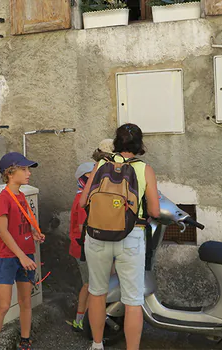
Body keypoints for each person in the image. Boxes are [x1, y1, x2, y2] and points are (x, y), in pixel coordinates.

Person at [79, 124, 160, 350]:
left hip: (96, 235)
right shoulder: (145, 170)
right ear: (139, 145)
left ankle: (97, 345)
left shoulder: (101, 164)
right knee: (133, 300)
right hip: (131, 236)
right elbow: (154, 210)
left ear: (116, 142)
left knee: (97, 293)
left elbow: (82, 201)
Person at [0, 152, 45, 350]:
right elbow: (2, 232)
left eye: (28, 169)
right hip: (9, 258)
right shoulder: (3, 198)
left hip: (25, 254)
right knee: (3, 305)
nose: (29, 173)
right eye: (24, 169)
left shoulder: (21, 195)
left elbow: (21, 224)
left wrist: (34, 233)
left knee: (25, 301)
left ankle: (25, 341)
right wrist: (21, 256)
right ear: (10, 173)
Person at [69, 162, 95, 332]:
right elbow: (83, 228)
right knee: (90, 285)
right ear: (85, 178)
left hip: (84, 248)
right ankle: (82, 320)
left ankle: (82, 319)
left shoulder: (83, 197)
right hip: (84, 249)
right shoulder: (82, 200)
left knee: (90, 285)